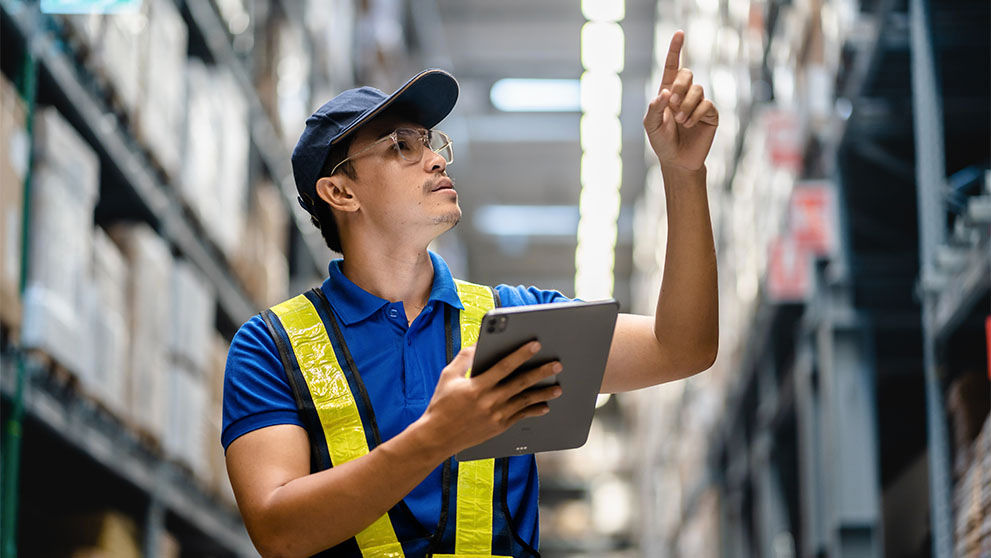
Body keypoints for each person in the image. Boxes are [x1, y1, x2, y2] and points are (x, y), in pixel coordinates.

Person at [223, 30, 718, 558]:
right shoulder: (272, 347)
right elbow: (277, 532)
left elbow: (681, 348)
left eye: (431, 143)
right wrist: (437, 436)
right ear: (341, 192)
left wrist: (683, 174)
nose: (436, 160)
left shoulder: (513, 321)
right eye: (401, 147)